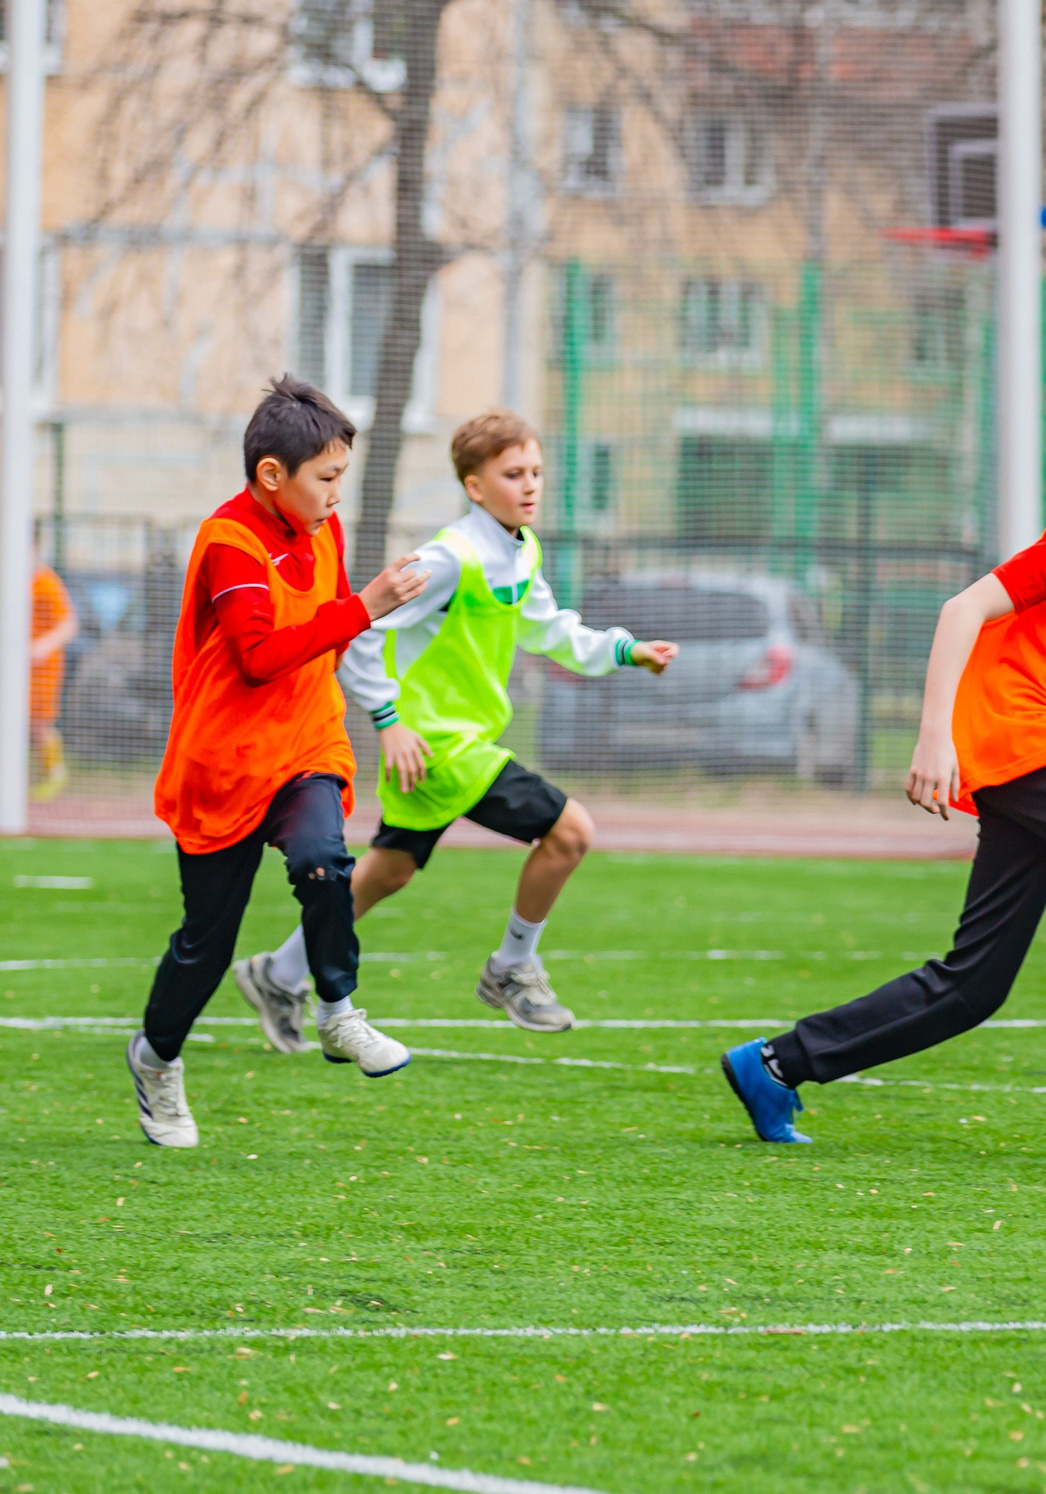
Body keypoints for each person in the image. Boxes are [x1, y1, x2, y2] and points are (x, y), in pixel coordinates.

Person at [718, 392, 1046, 1144]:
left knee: (974, 987)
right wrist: (935, 739)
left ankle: (774, 1064)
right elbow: (961, 610)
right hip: (1020, 743)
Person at [231, 411, 678, 1048]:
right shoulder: (450, 557)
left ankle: (279, 972)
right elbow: (358, 630)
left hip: (458, 744)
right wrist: (388, 721)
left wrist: (627, 650)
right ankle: (512, 968)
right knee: (571, 831)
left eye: (537, 473)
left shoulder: (519, 551)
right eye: (512, 473)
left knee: (387, 873)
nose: (530, 486)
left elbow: (551, 630)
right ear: (474, 486)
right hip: (436, 746)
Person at [130, 376, 427, 1147]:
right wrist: (368, 603)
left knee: (325, 862)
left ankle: (338, 1012)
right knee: (206, 945)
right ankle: (156, 1061)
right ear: (272, 475)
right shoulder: (228, 543)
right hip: (222, 765)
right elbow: (259, 656)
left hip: (304, 745)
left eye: (341, 477)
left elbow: (336, 631)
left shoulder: (320, 529)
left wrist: (382, 700)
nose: (337, 494)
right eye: (326, 478)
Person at [29, 563, 75, 801]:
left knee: (39, 723)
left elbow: (69, 625)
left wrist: (43, 646)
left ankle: (54, 774)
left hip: (40, 668)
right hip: (17, 666)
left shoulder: (46, 581)